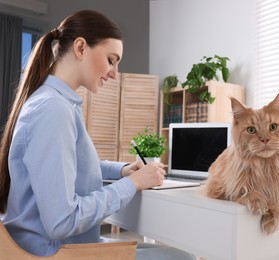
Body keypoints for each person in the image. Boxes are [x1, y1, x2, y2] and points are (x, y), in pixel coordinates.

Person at [0, 10, 195, 260]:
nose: (115, 72)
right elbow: (62, 221)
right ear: (80, 47)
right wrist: (132, 184)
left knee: (175, 254)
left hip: (54, 244)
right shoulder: (53, 110)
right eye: (111, 60)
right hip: (52, 251)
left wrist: (123, 170)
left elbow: (73, 166)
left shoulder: (56, 104)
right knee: (182, 258)